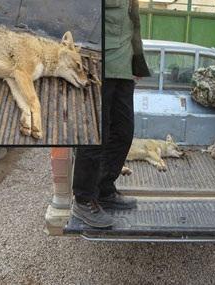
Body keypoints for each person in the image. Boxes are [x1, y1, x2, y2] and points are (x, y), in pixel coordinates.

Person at [70, 0, 150, 228]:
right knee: (96, 135)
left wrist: (137, 63)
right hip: (98, 67)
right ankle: (84, 199)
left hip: (123, 69)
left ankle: (104, 189)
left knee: (123, 133)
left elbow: (133, 25)